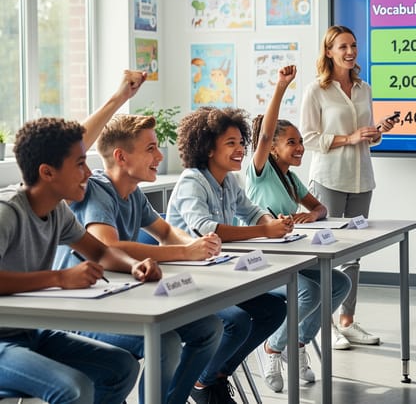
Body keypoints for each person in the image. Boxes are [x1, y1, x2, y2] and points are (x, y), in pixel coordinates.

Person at [0, 70, 160, 403]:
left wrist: (133, 266)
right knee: (73, 388)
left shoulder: (58, 211)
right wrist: (59, 278)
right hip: (3, 341)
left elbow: (100, 252)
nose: (88, 172)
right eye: (80, 164)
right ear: (47, 172)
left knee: (121, 367)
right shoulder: (7, 213)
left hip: (31, 332)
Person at [61, 113, 224, 404]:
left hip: (119, 303)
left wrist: (200, 244)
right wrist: (186, 252)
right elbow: (109, 246)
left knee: (209, 328)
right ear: (121, 157)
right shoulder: (96, 190)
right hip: (80, 314)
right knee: (165, 343)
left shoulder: (133, 193)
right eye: (151, 148)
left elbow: (167, 232)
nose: (160, 156)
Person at [165, 106, 290, 404]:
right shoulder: (192, 180)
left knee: (274, 309)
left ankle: (213, 376)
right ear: (208, 149)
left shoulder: (230, 180)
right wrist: (264, 231)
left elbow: (252, 211)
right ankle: (202, 381)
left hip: (217, 276)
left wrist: (272, 224)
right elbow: (206, 228)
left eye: (241, 142)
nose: (240, 149)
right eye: (230, 143)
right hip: (186, 282)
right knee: (237, 322)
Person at [246, 64, 351, 391]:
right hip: (261, 259)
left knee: (339, 283)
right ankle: (272, 347)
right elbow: (265, 134)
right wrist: (281, 87)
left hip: (289, 256)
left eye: (301, 141)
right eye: (291, 142)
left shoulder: (291, 178)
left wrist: (311, 216)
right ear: (272, 147)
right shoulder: (259, 171)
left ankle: (299, 342)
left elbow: (320, 207)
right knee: (309, 292)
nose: (300, 147)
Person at [299, 25, 398, 347]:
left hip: (361, 179)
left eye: (353, 45)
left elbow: (365, 136)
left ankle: (347, 321)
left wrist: (376, 131)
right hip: (329, 179)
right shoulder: (316, 90)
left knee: (353, 255)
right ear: (329, 52)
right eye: (342, 46)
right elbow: (308, 138)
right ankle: (324, 325)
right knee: (327, 252)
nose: (350, 51)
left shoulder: (364, 88)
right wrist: (349, 138)